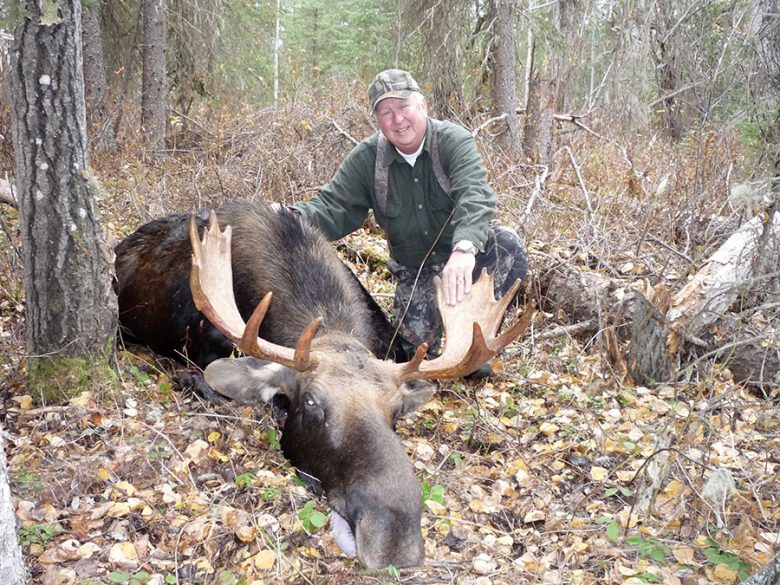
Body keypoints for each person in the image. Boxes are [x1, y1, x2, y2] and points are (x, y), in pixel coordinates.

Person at [291, 69, 528, 377]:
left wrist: (464, 248)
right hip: (417, 277)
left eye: (403, 107)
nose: (398, 119)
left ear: (423, 106)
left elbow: (476, 195)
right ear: (378, 120)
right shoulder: (368, 159)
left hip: (464, 263)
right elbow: (332, 208)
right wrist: (288, 216)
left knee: (507, 245)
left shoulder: (453, 142)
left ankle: (473, 347)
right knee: (408, 359)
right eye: (386, 112)